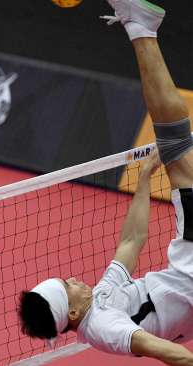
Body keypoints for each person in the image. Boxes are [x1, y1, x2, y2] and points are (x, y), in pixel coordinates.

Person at [17, 0, 193, 364]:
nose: (74, 280)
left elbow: (131, 241)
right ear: (74, 312)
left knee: (176, 146)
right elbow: (173, 355)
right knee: (176, 144)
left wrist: (143, 182)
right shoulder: (105, 326)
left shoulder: (101, 297)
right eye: (69, 286)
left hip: (185, 265)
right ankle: (141, 27)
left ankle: (141, 27)